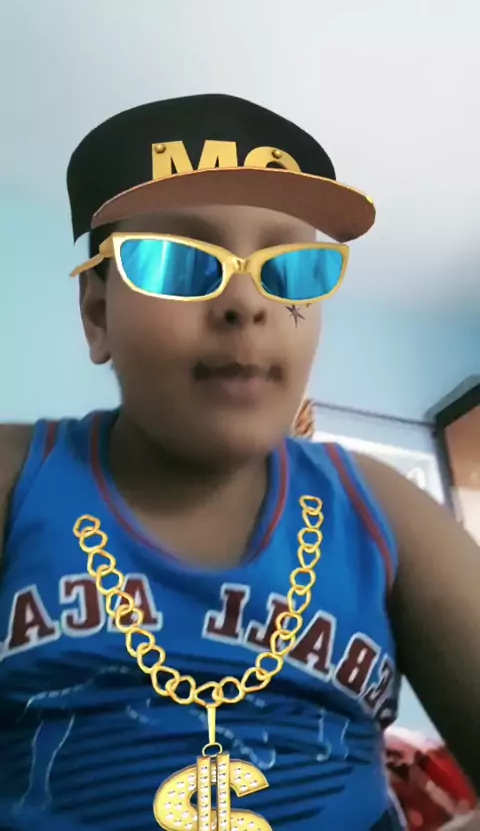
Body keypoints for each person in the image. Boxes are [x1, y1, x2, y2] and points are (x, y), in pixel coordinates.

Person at [0, 94, 478, 831]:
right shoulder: (15, 480)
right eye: (177, 261)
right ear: (98, 314)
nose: (246, 302)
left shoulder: (381, 512)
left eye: (290, 270)